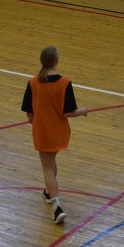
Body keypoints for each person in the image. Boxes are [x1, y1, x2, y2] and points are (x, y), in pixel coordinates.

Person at [22, 46, 90, 225]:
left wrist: (37, 121)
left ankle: (57, 207)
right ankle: (48, 192)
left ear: (42, 61)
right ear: (57, 61)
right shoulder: (65, 82)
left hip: (42, 131)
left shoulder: (33, 82)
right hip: (59, 131)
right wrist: (82, 111)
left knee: (47, 168)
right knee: (51, 164)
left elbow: (29, 114)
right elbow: (68, 112)